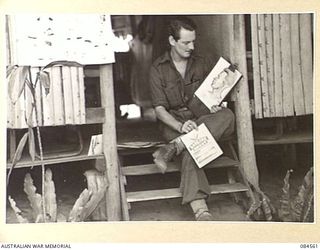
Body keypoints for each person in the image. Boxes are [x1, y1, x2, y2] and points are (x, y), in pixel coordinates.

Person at [149, 16, 235, 221]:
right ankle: (200, 209)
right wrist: (180, 127)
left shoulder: (202, 62)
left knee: (228, 115)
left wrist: (216, 105)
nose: (191, 46)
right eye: (186, 42)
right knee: (193, 148)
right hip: (173, 122)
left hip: (202, 119)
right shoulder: (158, 68)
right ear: (172, 41)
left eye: (193, 41)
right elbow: (160, 110)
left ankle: (176, 146)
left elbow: (213, 94)